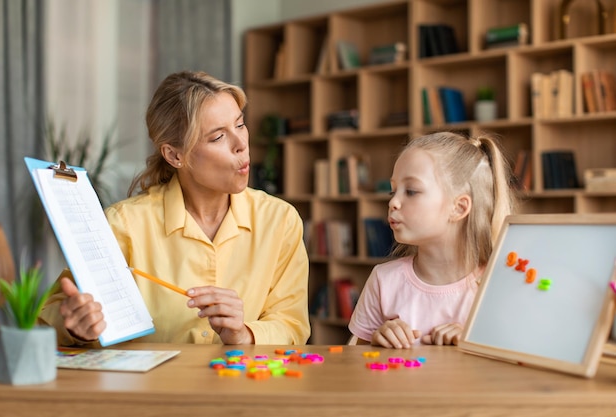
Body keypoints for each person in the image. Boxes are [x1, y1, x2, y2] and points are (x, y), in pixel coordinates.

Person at [39, 71, 311, 346]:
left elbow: (292, 326)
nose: (241, 145)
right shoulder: (123, 225)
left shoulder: (280, 220)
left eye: (240, 125)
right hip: (148, 389)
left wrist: (244, 334)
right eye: (217, 137)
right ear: (174, 155)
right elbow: (48, 319)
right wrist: (75, 326)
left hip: (242, 387)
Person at [348, 131, 515, 348]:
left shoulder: (498, 286)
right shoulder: (383, 281)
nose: (393, 203)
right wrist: (377, 342)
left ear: (459, 207)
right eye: (393, 192)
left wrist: (473, 342)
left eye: (411, 191)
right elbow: (354, 367)